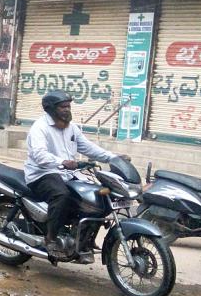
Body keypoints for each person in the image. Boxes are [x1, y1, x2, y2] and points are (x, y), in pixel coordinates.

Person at [25, 89, 127, 255]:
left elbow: (88, 147)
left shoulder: (71, 128)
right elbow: (39, 155)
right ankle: (50, 238)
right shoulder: (40, 127)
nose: (67, 109)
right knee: (61, 195)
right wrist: (62, 162)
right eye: (62, 107)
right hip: (42, 173)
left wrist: (113, 158)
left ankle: (85, 237)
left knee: (97, 197)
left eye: (68, 106)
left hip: (67, 174)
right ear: (51, 109)